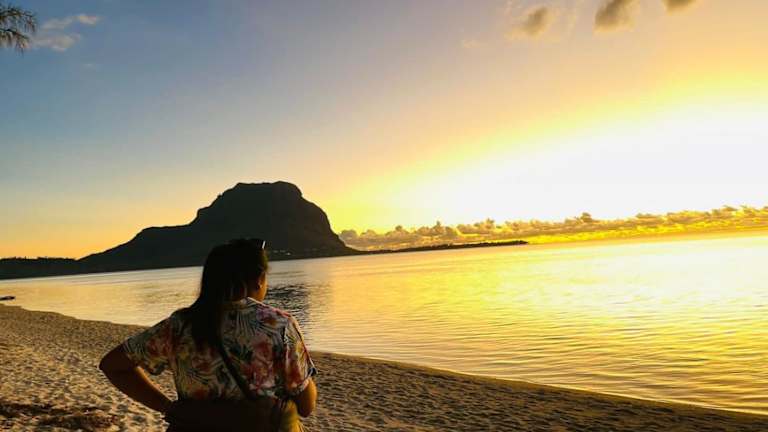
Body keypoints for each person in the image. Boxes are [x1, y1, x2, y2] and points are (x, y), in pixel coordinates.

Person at [99, 239, 317, 431]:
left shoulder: (178, 326)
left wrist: (168, 407)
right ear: (259, 279)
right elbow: (306, 406)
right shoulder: (278, 325)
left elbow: (112, 365)